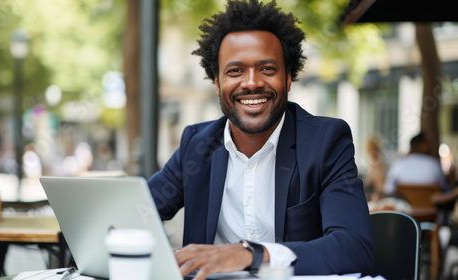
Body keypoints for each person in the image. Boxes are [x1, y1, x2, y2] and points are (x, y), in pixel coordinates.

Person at [147, 1, 374, 279]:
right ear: (216, 82)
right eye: (235, 71)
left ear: (288, 78)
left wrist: (251, 255)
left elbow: (355, 248)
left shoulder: (326, 142)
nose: (252, 82)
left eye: (267, 69)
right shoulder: (197, 146)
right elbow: (137, 212)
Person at [384, 132, 449, 195]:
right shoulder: (435, 164)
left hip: (404, 205)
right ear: (422, 146)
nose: (431, 146)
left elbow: (388, 190)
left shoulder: (398, 165)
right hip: (429, 206)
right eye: (428, 143)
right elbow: (445, 191)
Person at [363, 136, 388, 202]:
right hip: (382, 196)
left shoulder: (377, 165)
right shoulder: (382, 162)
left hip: (380, 198)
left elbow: (380, 187)